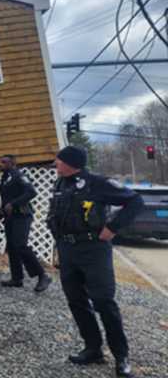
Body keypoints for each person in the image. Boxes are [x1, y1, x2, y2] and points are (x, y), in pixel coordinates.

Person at [47, 146, 143, 378]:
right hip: (68, 250)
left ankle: (122, 357)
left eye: (58, 160)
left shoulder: (97, 183)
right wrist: (59, 249)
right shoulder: (61, 184)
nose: (55, 164)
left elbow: (136, 202)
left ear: (70, 163)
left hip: (94, 250)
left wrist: (112, 229)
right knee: (76, 301)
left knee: (103, 301)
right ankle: (93, 349)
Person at [0, 154, 52, 292]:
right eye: (0, 161)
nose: (1, 164)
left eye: (4, 162)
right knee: (12, 247)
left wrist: (13, 204)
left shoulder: (19, 175)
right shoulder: (5, 178)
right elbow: (6, 200)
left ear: (13, 163)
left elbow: (31, 192)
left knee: (20, 245)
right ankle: (17, 278)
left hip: (22, 215)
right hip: (10, 217)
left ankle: (43, 275)